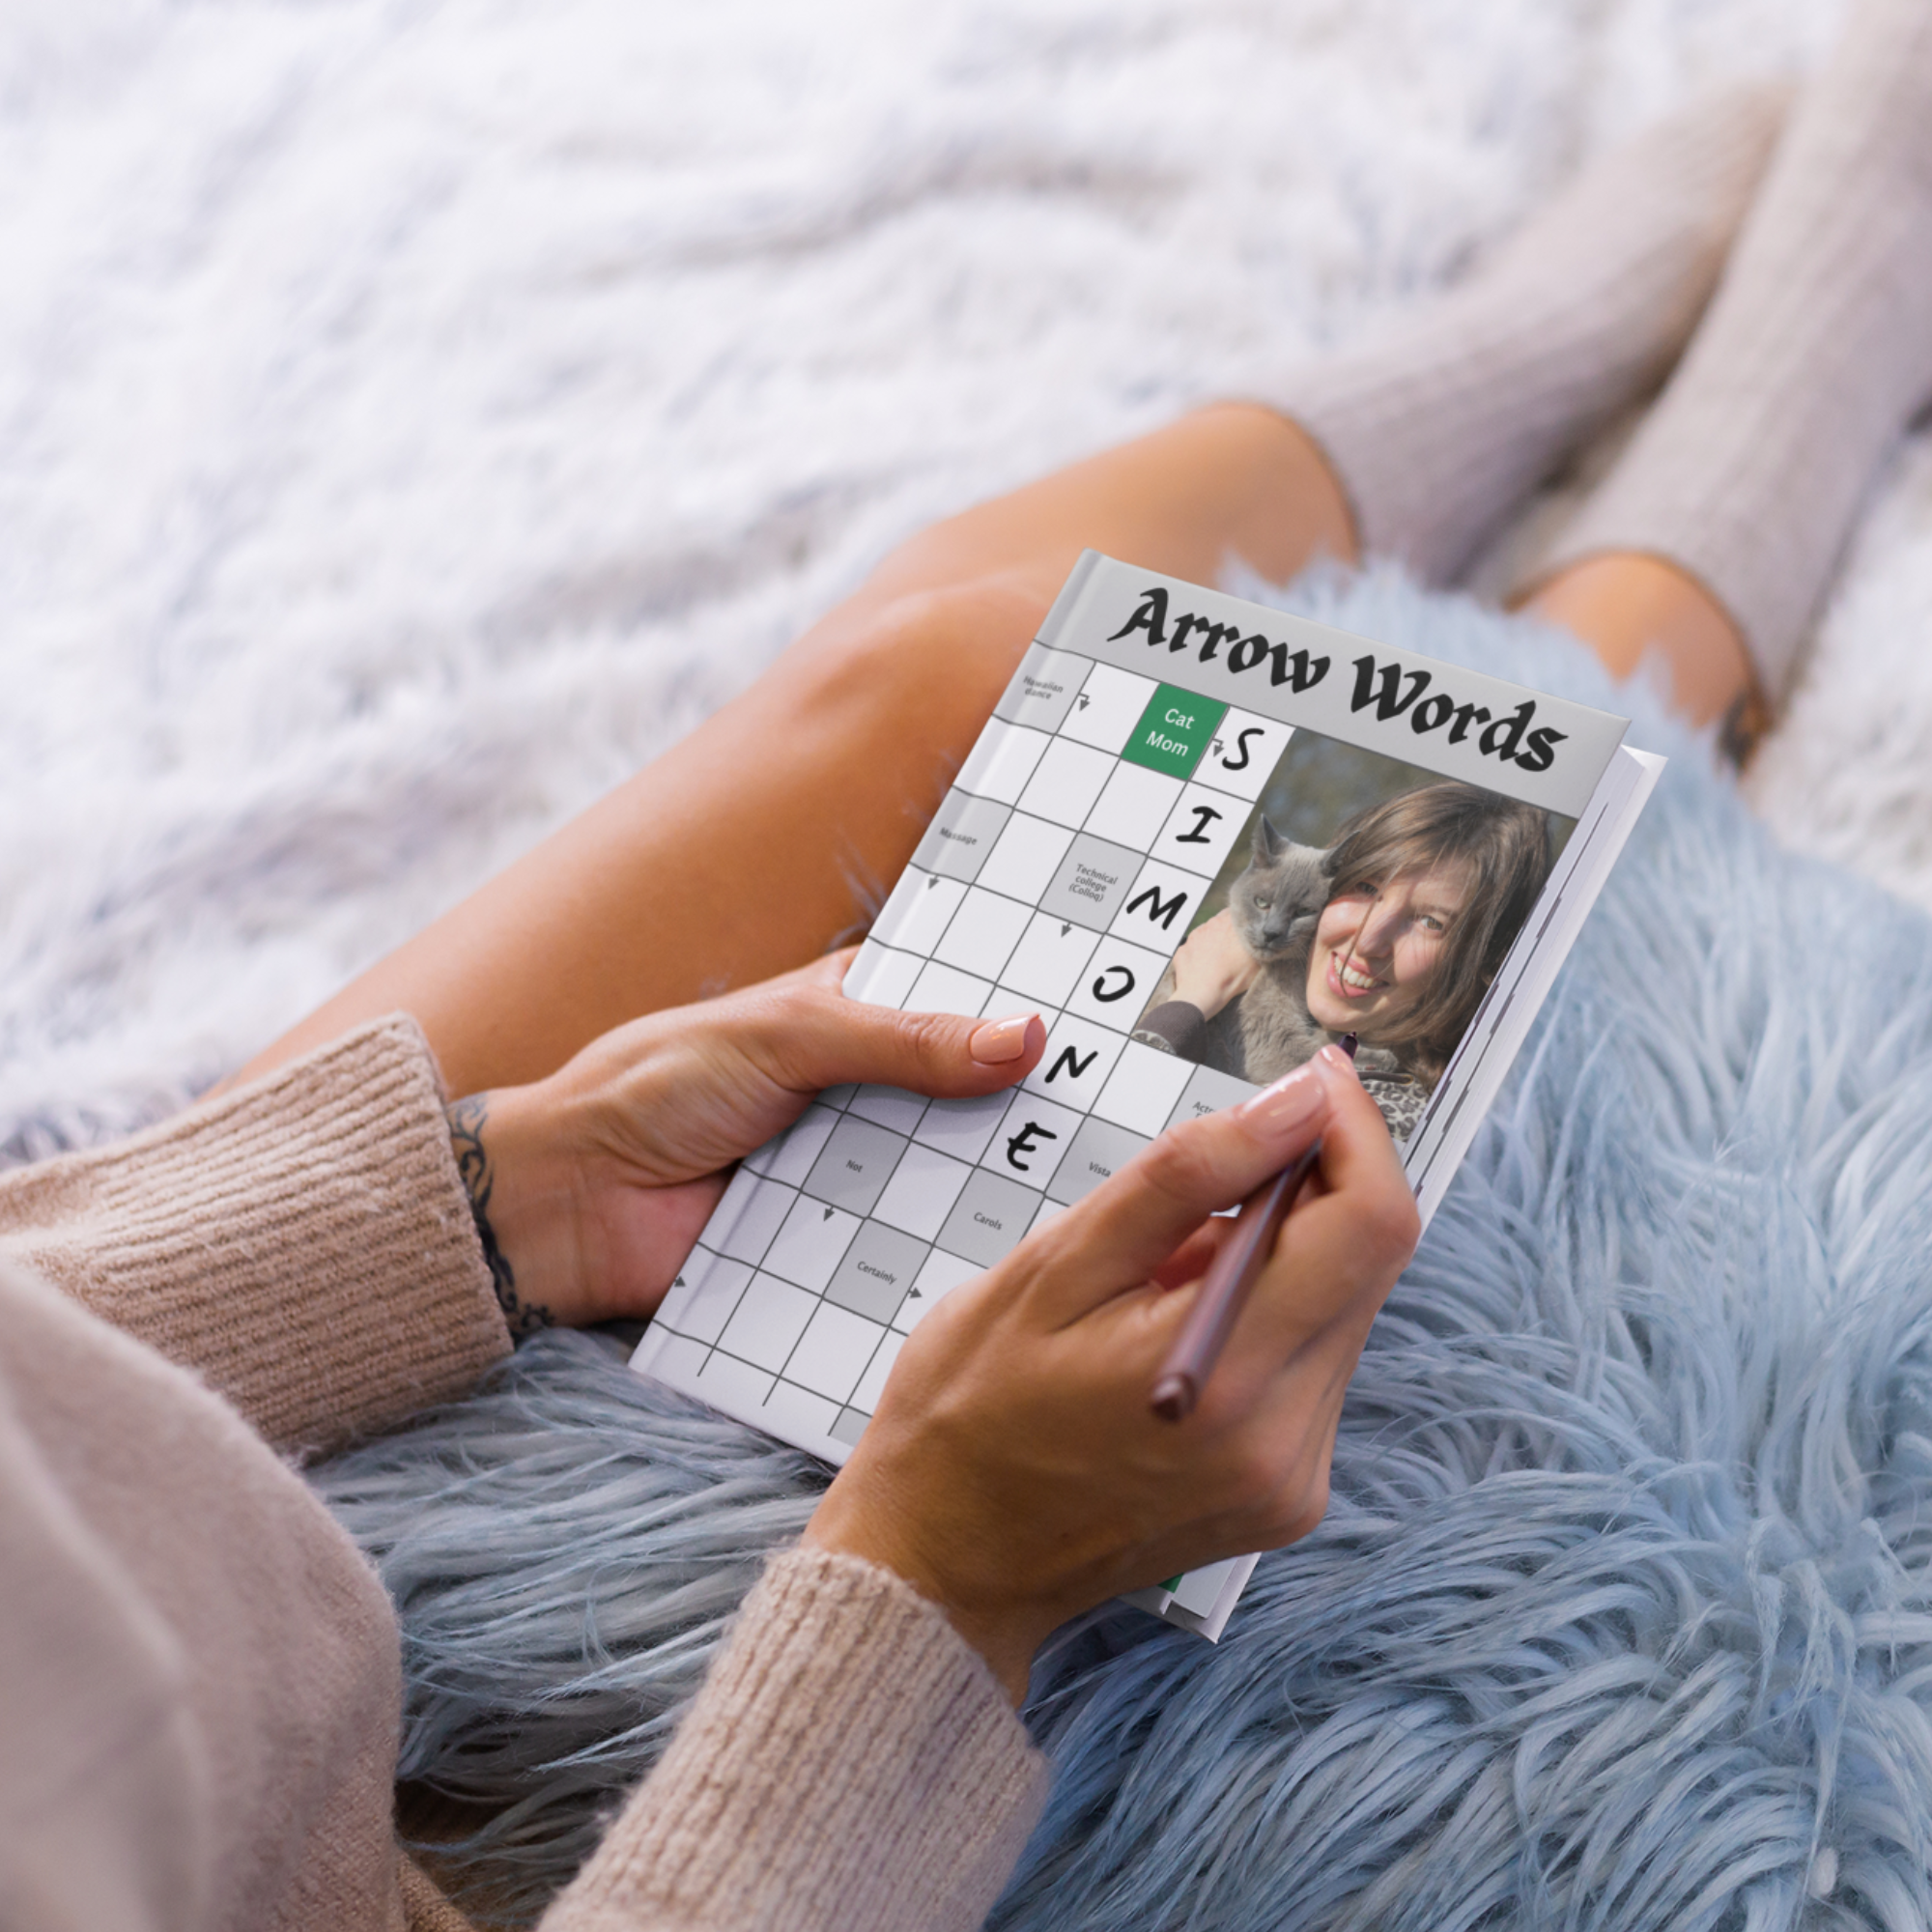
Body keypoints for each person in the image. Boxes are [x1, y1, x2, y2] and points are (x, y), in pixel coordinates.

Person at [6, 0, 1932, 1922]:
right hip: (495, 1792)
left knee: (963, 684)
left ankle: (1517, 373)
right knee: (1480, 931)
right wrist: (953, 1562)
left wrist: (506, 1189)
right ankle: (1710, 499)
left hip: (134, 1481)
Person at [1134, 783, 1553, 1138]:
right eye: (1367, 888)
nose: (1369, 941)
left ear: (1482, 963)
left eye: (1431, 922)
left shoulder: (1394, 1123)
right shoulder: (1231, 965)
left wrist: (1190, 1003)